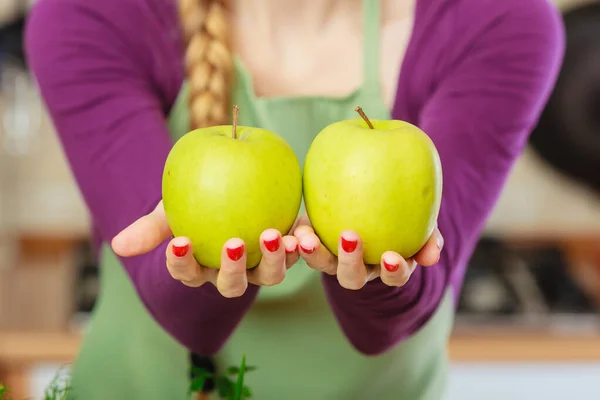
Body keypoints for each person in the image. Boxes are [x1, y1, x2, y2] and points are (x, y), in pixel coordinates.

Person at [24, 0, 564, 398]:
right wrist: (199, 256)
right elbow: (185, 317)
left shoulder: (498, 23)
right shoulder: (91, 14)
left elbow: (401, 306)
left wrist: (376, 271)